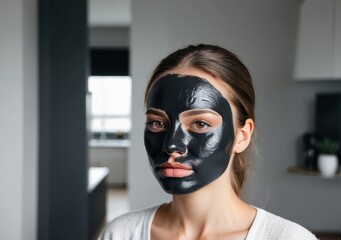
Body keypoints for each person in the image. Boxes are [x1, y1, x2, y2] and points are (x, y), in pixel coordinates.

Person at [99, 44, 317, 240]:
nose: (171, 146)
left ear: (242, 136)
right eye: (157, 123)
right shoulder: (120, 234)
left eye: (200, 124)